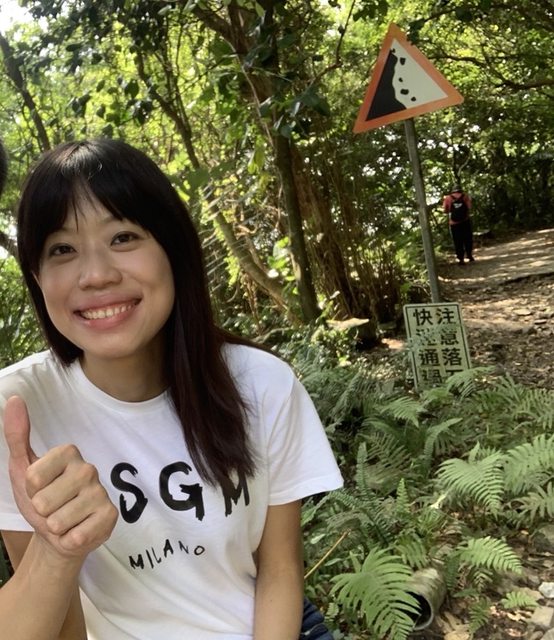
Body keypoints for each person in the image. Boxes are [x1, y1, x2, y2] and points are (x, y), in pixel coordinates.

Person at [0, 138, 343, 640]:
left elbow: (279, 570)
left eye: (123, 237)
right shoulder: (18, 410)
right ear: (37, 276)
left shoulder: (261, 384)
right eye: (63, 249)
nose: (96, 275)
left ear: (173, 250)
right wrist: (56, 550)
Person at [443, 184, 474, 265]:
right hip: (465, 221)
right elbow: (470, 207)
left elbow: (445, 210)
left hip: (454, 223)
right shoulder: (465, 196)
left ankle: (461, 259)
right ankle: (469, 255)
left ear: (452, 190)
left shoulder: (448, 198)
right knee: (468, 238)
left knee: (457, 241)